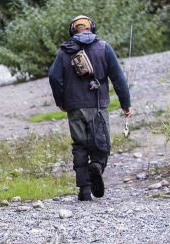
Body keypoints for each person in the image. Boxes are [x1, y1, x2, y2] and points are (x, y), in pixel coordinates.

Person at [48, 15, 133, 201]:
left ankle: (84, 191)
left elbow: (54, 77)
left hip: (74, 107)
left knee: (79, 146)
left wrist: (61, 101)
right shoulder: (104, 48)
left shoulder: (64, 52)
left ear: (73, 30)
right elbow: (118, 78)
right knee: (101, 142)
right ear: (92, 28)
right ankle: (97, 165)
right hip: (98, 105)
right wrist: (125, 104)